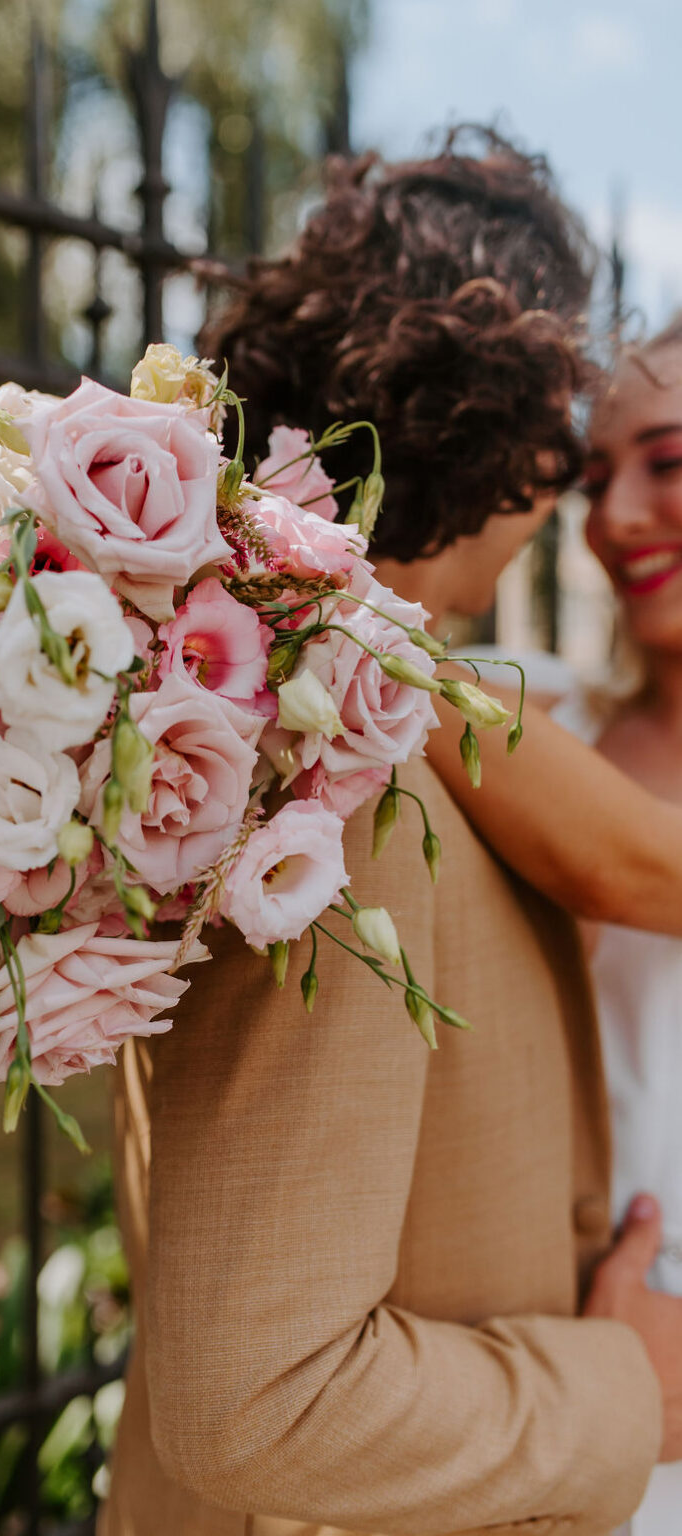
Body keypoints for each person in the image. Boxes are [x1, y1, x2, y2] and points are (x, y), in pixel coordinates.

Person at [100, 131, 682, 1536]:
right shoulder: (339, 785)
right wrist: (630, 1393)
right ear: (505, 425)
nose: (578, 508)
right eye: (565, 445)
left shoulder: (372, 732)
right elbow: (258, 1399)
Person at [424, 315, 682, 1536]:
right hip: (527, 1407)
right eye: (591, 480)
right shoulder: (539, 720)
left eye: (667, 462)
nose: (614, 518)